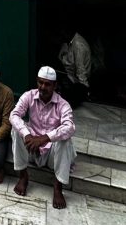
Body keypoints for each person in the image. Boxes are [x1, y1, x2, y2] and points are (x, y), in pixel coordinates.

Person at [10, 66, 77, 210]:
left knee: (65, 139)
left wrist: (44, 138)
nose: (43, 87)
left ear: (54, 86)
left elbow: (70, 127)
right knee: (16, 130)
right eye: (40, 82)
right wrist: (27, 134)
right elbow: (14, 115)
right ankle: (23, 176)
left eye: (47, 84)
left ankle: (58, 186)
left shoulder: (63, 104)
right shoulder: (29, 95)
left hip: (52, 156)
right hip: (33, 150)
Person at [57, 28, 91, 107]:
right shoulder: (68, 42)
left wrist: (85, 91)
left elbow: (81, 70)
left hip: (75, 81)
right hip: (67, 73)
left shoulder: (79, 46)